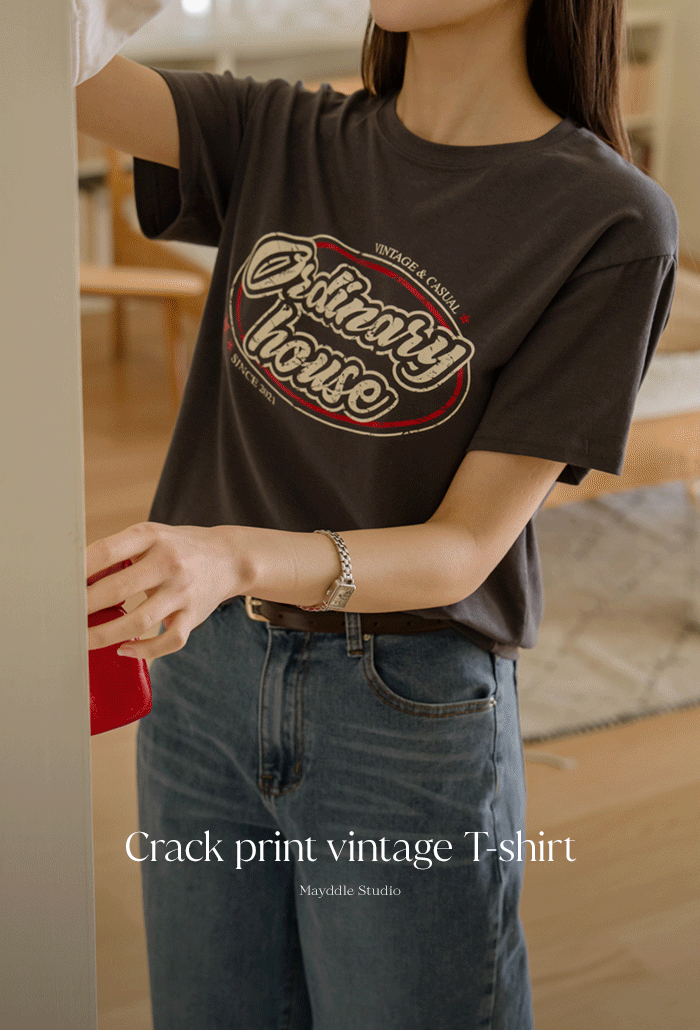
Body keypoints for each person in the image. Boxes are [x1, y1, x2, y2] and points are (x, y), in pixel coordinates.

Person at [79, 1, 678, 1027]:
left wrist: (233, 555)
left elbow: (463, 546)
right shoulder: (278, 132)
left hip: (402, 712)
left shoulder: (610, 220)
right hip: (201, 683)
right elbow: (52, 66)